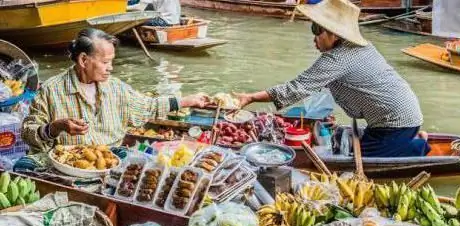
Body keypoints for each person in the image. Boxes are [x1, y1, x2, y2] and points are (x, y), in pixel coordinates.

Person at [234, 0, 429, 158]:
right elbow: (317, 85)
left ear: (334, 34)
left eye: (317, 31)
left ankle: (417, 146)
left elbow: (295, 89)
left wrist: (251, 97)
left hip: (394, 123)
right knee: (346, 146)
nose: (314, 38)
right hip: (402, 113)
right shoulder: (362, 47)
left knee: (355, 158)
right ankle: (408, 139)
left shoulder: (337, 59)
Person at [21, 28, 207, 154]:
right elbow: (29, 133)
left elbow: (148, 106)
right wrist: (55, 127)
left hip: (111, 158)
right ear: (84, 61)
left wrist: (188, 101)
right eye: (105, 62)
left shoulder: (116, 88)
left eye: (112, 61)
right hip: (69, 163)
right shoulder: (51, 90)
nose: (111, 68)